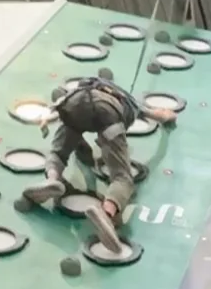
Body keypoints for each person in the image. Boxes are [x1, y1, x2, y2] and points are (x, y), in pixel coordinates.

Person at [23, 76, 176, 253]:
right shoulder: (128, 101)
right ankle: (107, 211)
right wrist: (169, 116)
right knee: (122, 178)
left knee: (58, 153)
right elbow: (160, 115)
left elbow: (74, 127)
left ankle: (52, 179)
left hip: (74, 106)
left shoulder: (81, 88)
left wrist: (82, 151)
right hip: (108, 113)